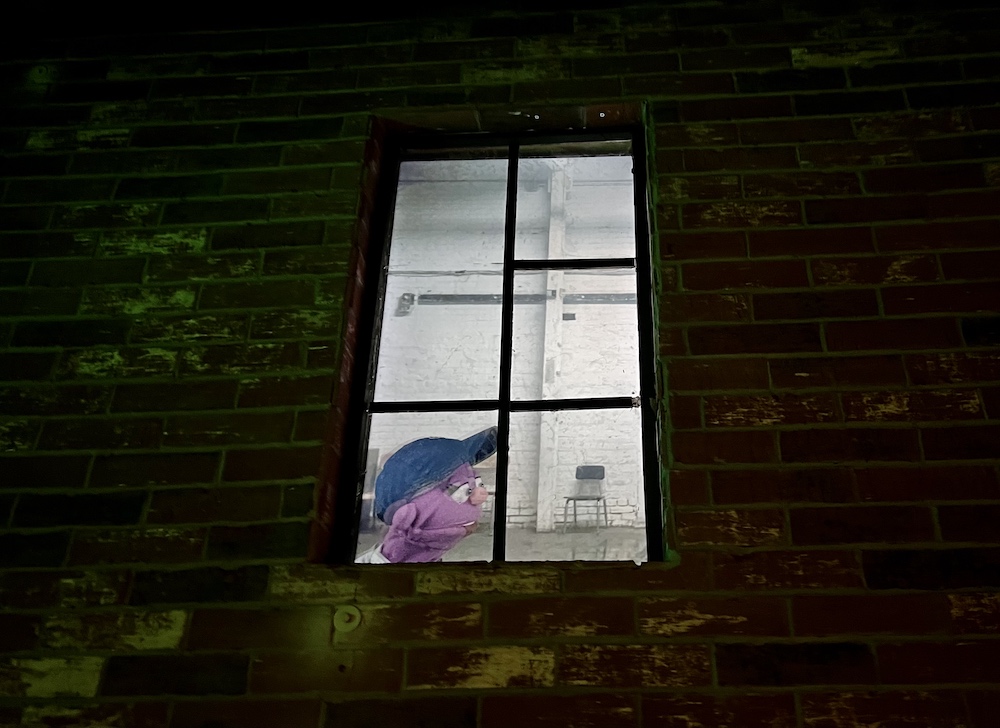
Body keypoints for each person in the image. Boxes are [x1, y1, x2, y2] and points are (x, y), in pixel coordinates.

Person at [356, 426, 496, 563]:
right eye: (462, 488)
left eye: (476, 483)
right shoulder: (366, 578)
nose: (478, 498)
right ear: (405, 516)